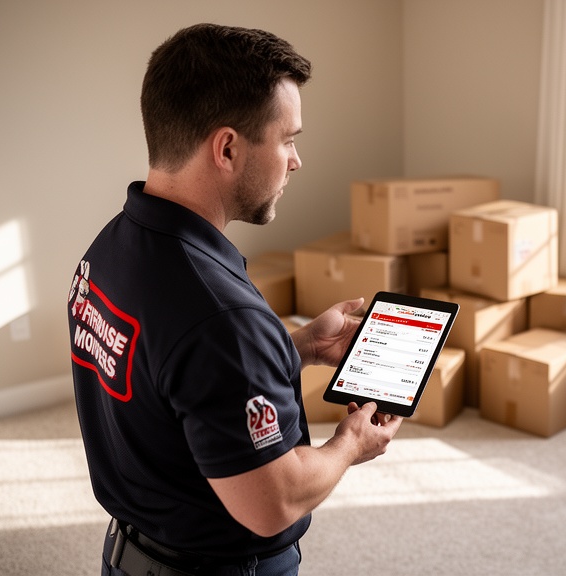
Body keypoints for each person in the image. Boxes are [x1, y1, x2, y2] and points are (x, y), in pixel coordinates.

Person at [67, 23, 402, 576]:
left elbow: (179, 383)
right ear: (226, 148)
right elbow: (273, 503)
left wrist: (295, 348)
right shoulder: (220, 318)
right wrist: (349, 443)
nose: (296, 161)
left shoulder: (111, 246)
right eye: (288, 139)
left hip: (130, 555)